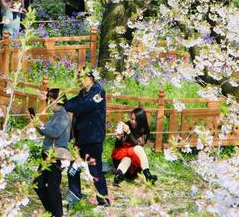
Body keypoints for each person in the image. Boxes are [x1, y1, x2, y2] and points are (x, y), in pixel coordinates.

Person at [65, 69, 110, 207]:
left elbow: (86, 105)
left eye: (84, 77)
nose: (81, 80)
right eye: (79, 77)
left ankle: (103, 201)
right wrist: (59, 101)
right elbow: (71, 104)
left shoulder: (99, 92)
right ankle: (75, 197)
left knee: (95, 171)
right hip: (81, 139)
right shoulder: (81, 94)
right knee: (73, 169)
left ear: (91, 78)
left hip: (93, 139)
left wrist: (70, 105)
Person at [34, 88, 72, 217]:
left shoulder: (63, 116)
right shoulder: (56, 115)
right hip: (48, 154)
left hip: (55, 155)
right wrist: (37, 124)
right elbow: (46, 130)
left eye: (50, 100)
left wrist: (42, 126)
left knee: (52, 187)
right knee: (38, 184)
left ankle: (57, 214)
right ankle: (53, 212)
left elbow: (55, 132)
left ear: (56, 101)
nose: (49, 103)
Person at [111, 108, 158, 185]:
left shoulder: (144, 130)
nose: (132, 121)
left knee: (138, 148)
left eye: (135, 120)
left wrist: (129, 133)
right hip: (121, 157)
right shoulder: (126, 125)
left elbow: (138, 145)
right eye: (131, 119)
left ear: (141, 121)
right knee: (127, 159)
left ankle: (148, 175)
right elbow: (117, 146)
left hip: (135, 161)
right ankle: (117, 177)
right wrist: (118, 138)